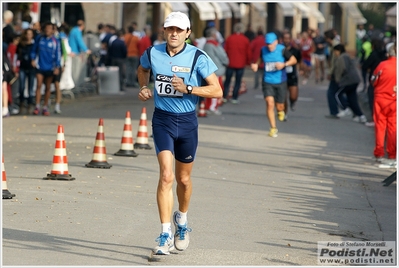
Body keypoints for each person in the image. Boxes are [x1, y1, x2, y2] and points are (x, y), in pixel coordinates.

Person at [137, 11, 222, 255]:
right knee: (166, 176)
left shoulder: (198, 56)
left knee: (183, 180)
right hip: (162, 120)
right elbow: (142, 70)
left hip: (187, 123)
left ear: (188, 33)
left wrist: (189, 88)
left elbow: (216, 91)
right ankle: (164, 234)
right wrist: (143, 86)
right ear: (164, 31)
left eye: (179, 30)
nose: (174, 33)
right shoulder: (153, 53)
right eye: (170, 29)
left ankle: (181, 220)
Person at [250, 32, 297, 137]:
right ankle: (273, 128)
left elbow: (294, 60)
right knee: (269, 103)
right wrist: (256, 65)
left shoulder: (282, 49)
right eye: (267, 44)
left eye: (271, 44)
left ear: (276, 42)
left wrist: (284, 64)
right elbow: (259, 60)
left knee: (279, 106)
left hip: (280, 81)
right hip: (267, 81)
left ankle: (281, 111)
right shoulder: (263, 50)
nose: (269, 46)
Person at [370, 42, 396, 168]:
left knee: (380, 127)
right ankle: (392, 154)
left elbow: (373, 81)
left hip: (380, 99)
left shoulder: (382, 65)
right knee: (393, 128)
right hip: (395, 101)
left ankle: (379, 153)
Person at [31, 22, 61, 116]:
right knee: (39, 85)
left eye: (50, 28)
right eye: (46, 28)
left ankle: (45, 106)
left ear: (52, 30)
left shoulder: (55, 41)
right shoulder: (39, 38)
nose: (47, 30)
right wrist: (32, 59)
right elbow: (34, 50)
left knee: (48, 87)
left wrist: (57, 66)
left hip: (50, 67)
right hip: (40, 65)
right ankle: (37, 105)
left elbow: (58, 54)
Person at [332, 44, 367, 123]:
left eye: (335, 51)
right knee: (352, 99)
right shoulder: (347, 56)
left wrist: (338, 79)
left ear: (339, 51)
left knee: (337, 94)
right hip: (355, 80)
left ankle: (345, 108)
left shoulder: (341, 57)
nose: (334, 53)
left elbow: (342, 69)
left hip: (348, 80)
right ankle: (361, 115)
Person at [222, 22, 251, 104]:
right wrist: (248, 62)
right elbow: (248, 53)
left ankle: (224, 96)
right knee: (238, 81)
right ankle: (234, 97)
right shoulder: (245, 39)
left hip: (230, 62)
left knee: (227, 80)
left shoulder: (229, 38)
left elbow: (225, 50)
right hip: (240, 63)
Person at [361, 39, 387, 126]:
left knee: (372, 98)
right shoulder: (385, 55)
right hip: (384, 80)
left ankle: (374, 119)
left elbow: (365, 65)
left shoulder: (374, 54)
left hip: (374, 79)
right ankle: (382, 119)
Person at [203, 27, 229, 115]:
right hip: (217, 69)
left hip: (208, 69)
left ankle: (207, 105)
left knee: (209, 87)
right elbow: (222, 55)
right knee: (216, 88)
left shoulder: (205, 44)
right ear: (214, 35)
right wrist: (226, 62)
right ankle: (213, 107)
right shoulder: (215, 44)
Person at [324, 29, 349, 119]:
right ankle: (347, 106)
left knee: (331, 92)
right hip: (337, 71)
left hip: (336, 72)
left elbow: (335, 62)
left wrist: (330, 73)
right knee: (336, 92)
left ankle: (335, 111)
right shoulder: (332, 45)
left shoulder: (335, 46)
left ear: (328, 38)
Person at [282, 31, 301, 118]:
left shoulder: (295, 50)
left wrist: (301, 70)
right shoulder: (280, 50)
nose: (286, 40)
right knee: (283, 97)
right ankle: (284, 113)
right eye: (285, 39)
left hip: (292, 75)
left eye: (288, 39)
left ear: (291, 39)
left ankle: (293, 102)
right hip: (282, 76)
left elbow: (299, 61)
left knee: (293, 97)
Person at [17, 28, 35, 114]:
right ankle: (21, 104)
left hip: (31, 68)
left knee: (30, 88)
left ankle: (30, 104)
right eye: (27, 34)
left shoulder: (34, 44)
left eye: (30, 34)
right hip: (22, 67)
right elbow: (17, 56)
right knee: (21, 87)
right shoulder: (21, 44)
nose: (28, 36)